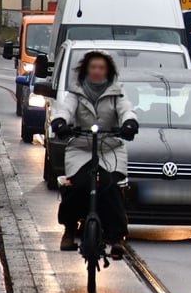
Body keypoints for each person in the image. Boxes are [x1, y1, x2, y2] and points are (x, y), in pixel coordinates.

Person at [50, 51, 139, 259]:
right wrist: (60, 122)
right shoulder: (76, 91)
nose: (97, 71)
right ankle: (70, 230)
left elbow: (126, 109)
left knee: (111, 186)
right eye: (93, 67)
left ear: (108, 71)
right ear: (86, 70)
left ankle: (116, 237)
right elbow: (66, 109)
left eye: (101, 68)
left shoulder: (117, 91)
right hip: (81, 147)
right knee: (76, 185)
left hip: (110, 148)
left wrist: (129, 123)